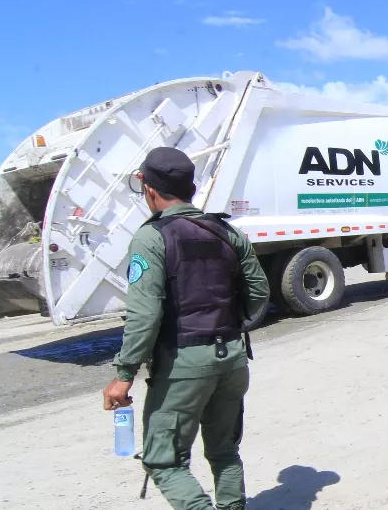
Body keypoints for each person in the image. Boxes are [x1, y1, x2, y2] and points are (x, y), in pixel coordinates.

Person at [103, 146, 270, 510]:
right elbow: (259, 293)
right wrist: (228, 324)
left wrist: (124, 373)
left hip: (182, 365)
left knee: (164, 462)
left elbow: (144, 316)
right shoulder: (227, 232)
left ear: (148, 188)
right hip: (232, 358)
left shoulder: (151, 238)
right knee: (224, 452)